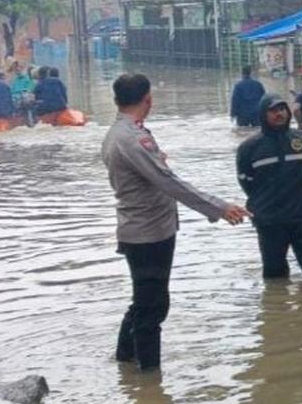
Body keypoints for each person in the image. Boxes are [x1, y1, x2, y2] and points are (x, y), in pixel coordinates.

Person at [102, 73, 250, 371]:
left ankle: (126, 359)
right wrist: (219, 208)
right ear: (148, 99)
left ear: (117, 100)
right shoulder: (132, 138)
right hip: (148, 234)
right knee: (152, 308)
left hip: (144, 228)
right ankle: (149, 381)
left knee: (145, 301)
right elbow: (169, 182)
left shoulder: (121, 134)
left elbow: (150, 173)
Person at [237, 93, 302, 280]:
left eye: (281, 109)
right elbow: (246, 182)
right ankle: (276, 307)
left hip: (301, 216)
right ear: (263, 115)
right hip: (269, 220)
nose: (278, 114)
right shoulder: (249, 148)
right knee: (274, 277)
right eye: (272, 111)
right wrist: (265, 202)